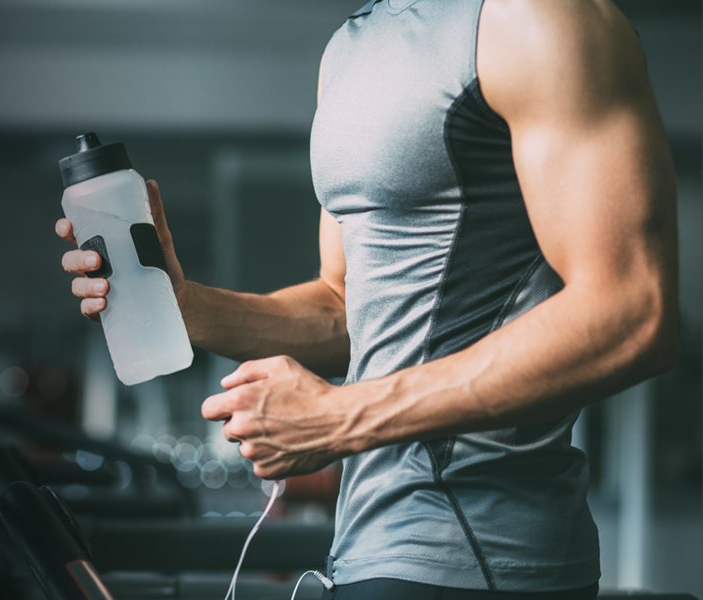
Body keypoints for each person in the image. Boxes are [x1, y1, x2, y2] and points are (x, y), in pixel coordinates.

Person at [57, 0, 679, 597]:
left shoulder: (537, 17)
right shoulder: (351, 47)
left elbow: (632, 310)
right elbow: (347, 309)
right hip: (366, 549)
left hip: (480, 560)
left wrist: (339, 416)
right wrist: (188, 307)